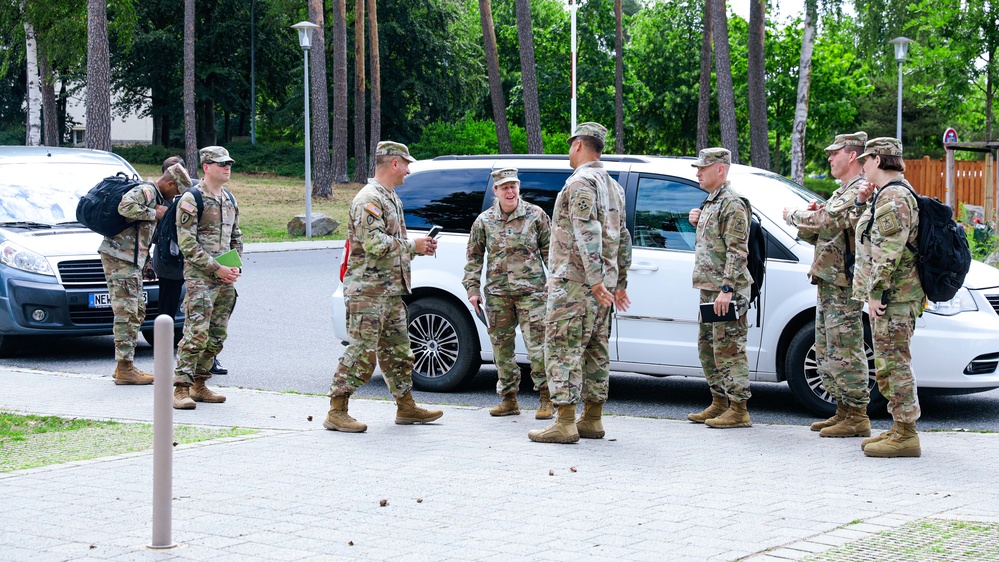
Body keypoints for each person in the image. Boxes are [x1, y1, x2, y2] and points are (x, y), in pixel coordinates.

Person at [324, 141, 443, 432]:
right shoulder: (369, 199)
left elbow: (390, 241)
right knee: (362, 353)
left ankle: (406, 408)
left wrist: (417, 246)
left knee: (399, 352)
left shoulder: (390, 197)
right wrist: (412, 246)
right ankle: (336, 411)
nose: (408, 170)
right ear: (393, 163)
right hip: (368, 293)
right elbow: (375, 243)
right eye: (406, 164)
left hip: (389, 292)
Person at [528, 122, 632, 444]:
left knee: (562, 347)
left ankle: (565, 422)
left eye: (570, 144)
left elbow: (588, 233)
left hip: (576, 283)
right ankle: (593, 419)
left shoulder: (581, 183)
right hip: (601, 288)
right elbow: (623, 238)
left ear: (577, 146)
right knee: (595, 350)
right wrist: (619, 282)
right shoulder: (614, 187)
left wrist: (595, 279)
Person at [783, 132, 872, 438]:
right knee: (829, 348)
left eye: (835, 153)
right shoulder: (842, 192)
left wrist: (795, 216)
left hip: (845, 283)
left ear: (851, 156)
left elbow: (827, 222)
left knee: (846, 348)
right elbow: (823, 231)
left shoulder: (859, 189)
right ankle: (844, 411)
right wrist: (809, 218)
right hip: (830, 280)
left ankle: (858, 415)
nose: (830, 158)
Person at [852, 137, 924, 458]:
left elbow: (888, 253)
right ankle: (899, 426)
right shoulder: (885, 195)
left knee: (894, 362)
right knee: (887, 362)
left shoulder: (893, 198)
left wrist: (877, 292)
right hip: (892, 295)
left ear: (878, 161)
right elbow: (870, 235)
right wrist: (862, 202)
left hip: (894, 296)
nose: (862, 165)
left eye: (865, 160)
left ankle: (907, 435)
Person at [463, 168, 553, 419]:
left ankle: (547, 398)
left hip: (532, 294)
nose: (510, 191)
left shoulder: (536, 216)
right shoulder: (484, 221)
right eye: (504, 187)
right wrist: (472, 289)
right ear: (496, 191)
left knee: (538, 348)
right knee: (501, 348)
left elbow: (551, 252)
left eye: (513, 186)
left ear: (518, 188)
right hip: (498, 295)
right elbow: (473, 258)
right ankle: (509, 399)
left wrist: (555, 280)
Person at [100, 161, 191, 385]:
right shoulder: (147, 191)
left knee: (136, 310)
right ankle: (125, 369)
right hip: (120, 258)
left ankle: (122, 364)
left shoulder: (154, 194)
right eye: (176, 191)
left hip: (131, 260)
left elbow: (140, 232)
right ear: (169, 183)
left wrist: (146, 261)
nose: (175, 197)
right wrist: (155, 212)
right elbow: (125, 207)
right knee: (127, 312)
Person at [686, 147, 754, 428]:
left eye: (703, 168)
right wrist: (696, 222)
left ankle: (739, 410)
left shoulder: (732, 203)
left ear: (720, 170)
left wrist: (727, 289)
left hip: (727, 290)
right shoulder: (712, 202)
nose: (698, 173)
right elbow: (715, 244)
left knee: (729, 349)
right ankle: (719, 402)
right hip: (710, 289)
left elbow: (737, 251)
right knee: (708, 347)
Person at [172, 146, 242, 410]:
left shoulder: (229, 198)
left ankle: (200, 383)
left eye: (229, 163)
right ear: (206, 167)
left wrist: (235, 267)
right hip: (201, 278)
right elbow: (186, 243)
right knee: (196, 333)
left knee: (217, 335)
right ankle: (180, 387)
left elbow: (237, 236)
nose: (227, 168)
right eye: (221, 163)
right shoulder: (192, 199)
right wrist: (216, 268)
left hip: (225, 279)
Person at [153, 156, 227, 376]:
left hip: (198, 262)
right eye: (170, 172)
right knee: (166, 309)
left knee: (204, 313)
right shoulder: (159, 194)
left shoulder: (196, 192)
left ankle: (209, 360)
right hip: (171, 261)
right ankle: (164, 359)